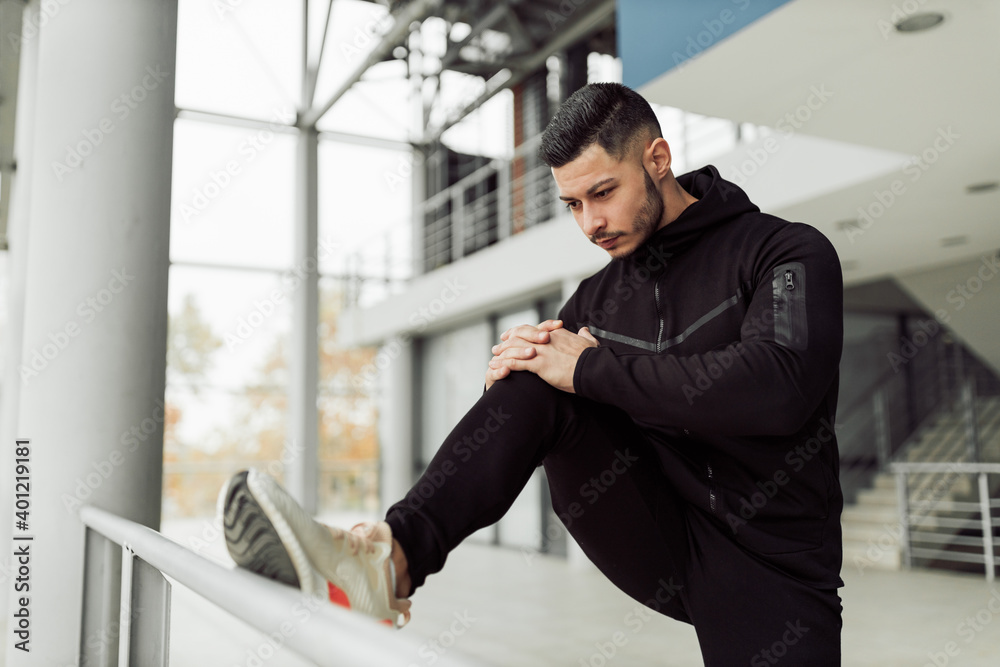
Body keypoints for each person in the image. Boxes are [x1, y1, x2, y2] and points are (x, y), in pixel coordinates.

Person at [220, 82, 844, 665]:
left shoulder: (783, 251)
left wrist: (595, 368)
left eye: (602, 193)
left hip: (772, 558)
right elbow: (548, 406)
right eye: (572, 204)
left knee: (564, 370)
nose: (589, 223)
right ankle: (386, 565)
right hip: (656, 528)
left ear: (658, 159)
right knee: (535, 377)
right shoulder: (593, 300)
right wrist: (509, 383)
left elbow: (778, 387)